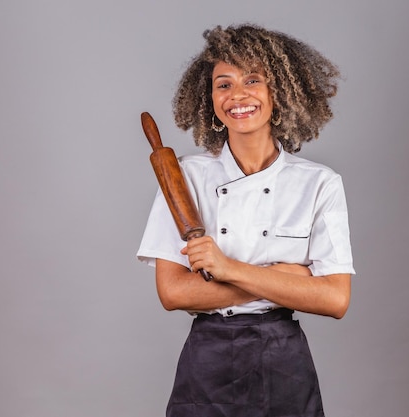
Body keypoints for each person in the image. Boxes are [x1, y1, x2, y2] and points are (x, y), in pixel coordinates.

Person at [137, 24, 355, 417]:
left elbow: (336, 299)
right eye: (224, 84)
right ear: (210, 99)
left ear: (279, 92)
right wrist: (291, 279)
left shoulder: (320, 183)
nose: (237, 95)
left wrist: (227, 269)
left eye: (253, 80)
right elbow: (173, 293)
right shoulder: (183, 178)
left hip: (284, 360)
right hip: (207, 359)